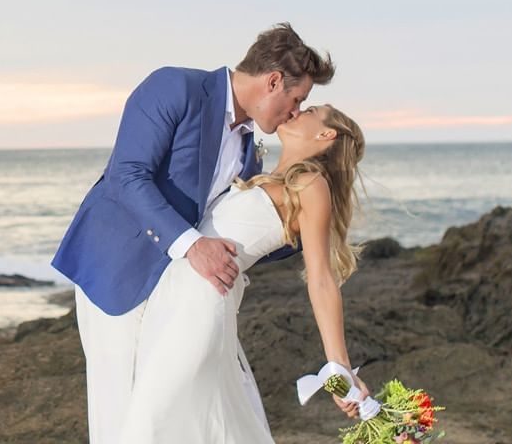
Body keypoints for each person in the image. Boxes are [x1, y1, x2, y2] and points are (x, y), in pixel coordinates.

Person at [51, 23, 334, 443]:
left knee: (167, 416)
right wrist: (193, 246)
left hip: (179, 296)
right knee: (121, 414)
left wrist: (306, 225)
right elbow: (126, 176)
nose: (295, 112)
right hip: (117, 272)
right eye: (297, 100)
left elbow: (231, 226)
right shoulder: (175, 88)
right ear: (273, 81)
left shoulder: (248, 151)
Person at [117, 103, 370, 443]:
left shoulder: (310, 185)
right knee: (175, 422)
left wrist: (339, 366)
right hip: (171, 301)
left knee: (154, 422)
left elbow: (321, 278)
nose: (295, 111)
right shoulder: (261, 176)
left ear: (327, 134)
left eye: (309, 110)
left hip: (201, 305)